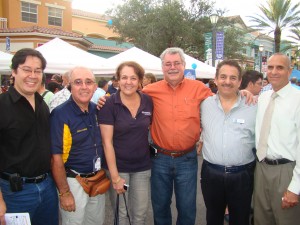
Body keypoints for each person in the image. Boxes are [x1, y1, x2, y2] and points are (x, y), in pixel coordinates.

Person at [0, 48, 58, 225]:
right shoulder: (2, 106)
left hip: (47, 187)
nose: (32, 75)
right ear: (14, 71)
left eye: (37, 71)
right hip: (15, 192)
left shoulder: (42, 104)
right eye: (26, 69)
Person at [201, 60, 256, 225]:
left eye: (233, 78)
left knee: (240, 219)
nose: (227, 81)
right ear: (216, 79)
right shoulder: (205, 104)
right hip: (211, 174)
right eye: (223, 77)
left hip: (242, 175)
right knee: (213, 218)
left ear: (240, 82)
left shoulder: (253, 106)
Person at [98, 61, 153, 224]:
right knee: (121, 213)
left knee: (140, 214)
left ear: (140, 81)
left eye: (133, 78)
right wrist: (115, 177)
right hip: (119, 169)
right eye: (124, 77)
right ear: (117, 80)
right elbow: (106, 143)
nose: (128, 82)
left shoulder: (148, 101)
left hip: (142, 168)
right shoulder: (108, 104)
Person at [50, 67, 105, 225]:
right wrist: (64, 192)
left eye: (88, 82)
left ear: (95, 87)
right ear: (69, 86)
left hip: (97, 179)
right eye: (78, 82)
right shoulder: (60, 115)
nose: (84, 87)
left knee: (96, 222)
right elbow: (56, 159)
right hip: (74, 181)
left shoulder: (98, 110)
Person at [254, 53, 300, 225]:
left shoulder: (298, 101)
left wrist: (295, 188)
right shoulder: (263, 98)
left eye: (280, 67)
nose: (274, 71)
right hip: (261, 168)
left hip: (286, 171)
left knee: (286, 220)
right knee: (261, 220)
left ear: (290, 71)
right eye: (270, 67)